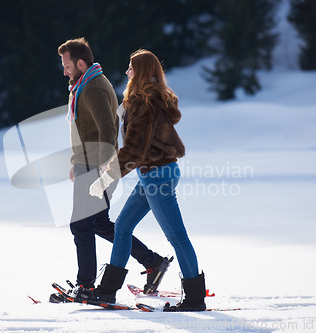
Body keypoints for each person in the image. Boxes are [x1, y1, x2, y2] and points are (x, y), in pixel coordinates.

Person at [87, 49, 206, 311]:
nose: (127, 72)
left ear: (139, 72)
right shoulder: (151, 99)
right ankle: (107, 291)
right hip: (154, 173)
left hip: (156, 175)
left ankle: (195, 299)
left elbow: (134, 150)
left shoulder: (143, 103)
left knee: (178, 237)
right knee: (122, 227)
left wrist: (106, 178)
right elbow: (137, 149)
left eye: (131, 68)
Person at [53, 38, 171, 300]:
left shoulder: (93, 88)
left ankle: (85, 285)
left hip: (96, 167)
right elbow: (87, 130)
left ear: (80, 63)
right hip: (89, 164)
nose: (64, 71)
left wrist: (102, 173)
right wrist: (77, 163)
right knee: (99, 224)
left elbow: (107, 131)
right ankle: (153, 262)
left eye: (67, 65)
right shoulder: (85, 83)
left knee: (81, 226)